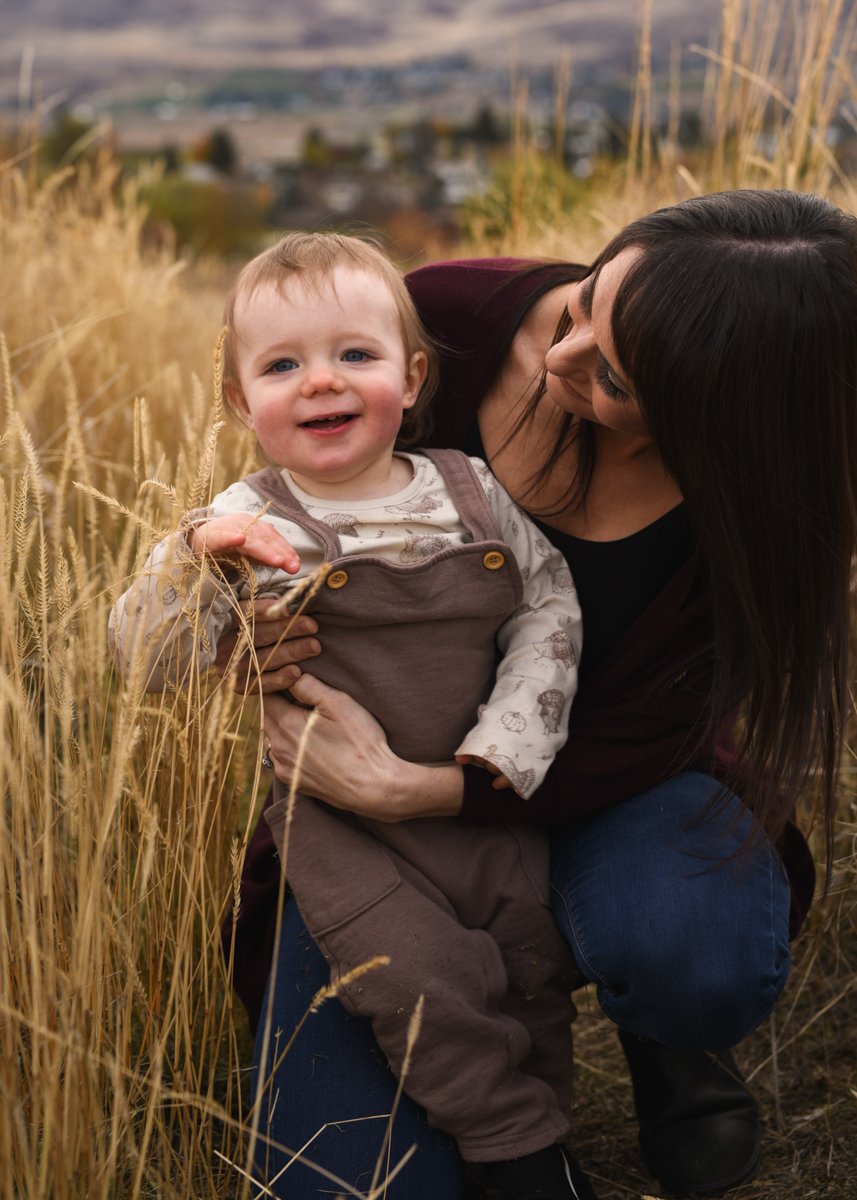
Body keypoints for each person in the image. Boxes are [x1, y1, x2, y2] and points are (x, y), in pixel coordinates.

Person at [222, 188, 857, 1199]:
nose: (560, 360)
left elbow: (653, 733)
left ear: (722, 426)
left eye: (611, 374)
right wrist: (251, 625)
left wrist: (423, 788)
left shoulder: (765, 507)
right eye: (583, 305)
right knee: (347, 1181)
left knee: (688, 950)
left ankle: (661, 1033)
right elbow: (290, 497)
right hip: (370, 813)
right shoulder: (438, 328)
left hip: (612, 790)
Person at [109, 233, 594, 1199]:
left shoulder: (472, 490)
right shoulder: (252, 521)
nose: (320, 382)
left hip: (471, 796)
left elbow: (550, 609)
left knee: (525, 968)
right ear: (242, 403)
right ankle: (514, 1153)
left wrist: (499, 754)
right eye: (282, 365)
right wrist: (198, 553)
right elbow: (145, 658)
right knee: (415, 980)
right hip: (338, 826)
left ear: (412, 379)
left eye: (354, 356)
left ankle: (547, 1121)